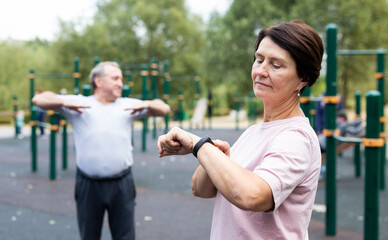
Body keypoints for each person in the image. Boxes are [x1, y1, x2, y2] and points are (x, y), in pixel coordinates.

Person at [158, 20, 323, 239]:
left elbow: (252, 196)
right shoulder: (254, 132)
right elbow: (201, 189)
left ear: (302, 79)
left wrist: (198, 145)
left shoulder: (296, 138)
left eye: (276, 65)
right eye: (259, 60)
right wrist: (215, 155)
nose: (261, 71)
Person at [32, 61, 170, 240]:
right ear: (98, 81)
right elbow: (38, 100)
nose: (121, 83)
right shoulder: (79, 103)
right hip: (88, 185)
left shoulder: (128, 105)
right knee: (89, 236)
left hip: (122, 184)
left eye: (121, 78)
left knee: (125, 236)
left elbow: (164, 108)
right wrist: (65, 102)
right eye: (115, 78)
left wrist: (148, 104)